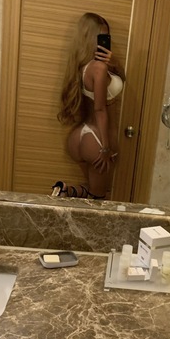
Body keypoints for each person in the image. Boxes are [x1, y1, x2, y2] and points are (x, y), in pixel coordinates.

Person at [53, 12, 126, 199]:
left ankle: (65, 190)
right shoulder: (99, 68)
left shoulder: (82, 66)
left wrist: (114, 63)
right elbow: (100, 109)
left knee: (94, 190)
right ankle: (66, 192)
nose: (103, 42)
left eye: (106, 37)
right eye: (100, 37)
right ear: (90, 38)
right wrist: (105, 148)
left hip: (79, 136)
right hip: (98, 139)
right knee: (99, 199)